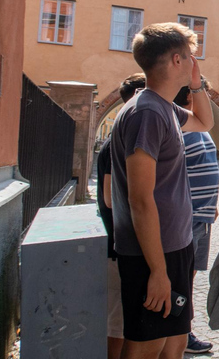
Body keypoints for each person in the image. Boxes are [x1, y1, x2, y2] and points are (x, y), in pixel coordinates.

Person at [110, 23, 214, 359]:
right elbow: (140, 200)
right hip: (152, 254)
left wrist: (196, 84)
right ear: (175, 60)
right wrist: (157, 271)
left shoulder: (162, 106)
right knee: (147, 347)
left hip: (174, 245)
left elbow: (204, 122)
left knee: (175, 342)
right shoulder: (148, 113)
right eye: (189, 56)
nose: (193, 61)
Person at [96, 73, 146, 359]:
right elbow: (108, 198)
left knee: (123, 319)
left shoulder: (124, 137)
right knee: (116, 321)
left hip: (123, 244)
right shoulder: (115, 143)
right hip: (118, 245)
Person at [172, 81, 219, 354]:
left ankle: (184, 332)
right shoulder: (176, 125)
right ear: (190, 95)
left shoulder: (198, 126)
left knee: (187, 278)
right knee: (178, 278)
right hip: (185, 217)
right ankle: (176, 335)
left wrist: (211, 204)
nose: (209, 100)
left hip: (202, 216)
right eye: (205, 94)